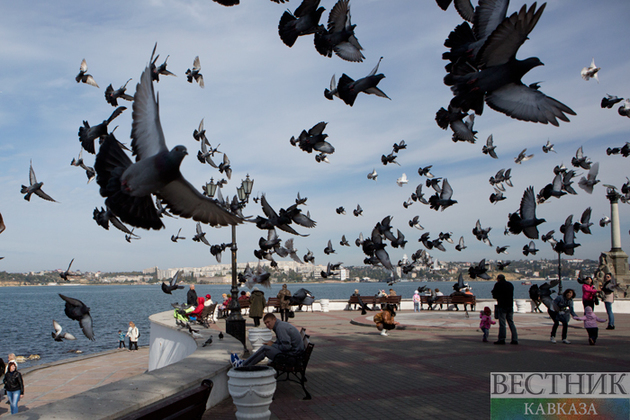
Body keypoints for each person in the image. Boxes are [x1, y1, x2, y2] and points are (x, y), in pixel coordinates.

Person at [231, 313, 304, 367]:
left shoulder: (280, 328)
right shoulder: (280, 325)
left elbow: (286, 347)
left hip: (292, 357)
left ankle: (242, 365)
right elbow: (284, 344)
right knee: (266, 348)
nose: (267, 325)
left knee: (265, 349)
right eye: (265, 323)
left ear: (274, 319)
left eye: (268, 322)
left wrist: (272, 345)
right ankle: (245, 362)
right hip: (295, 354)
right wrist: (273, 344)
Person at [491, 274, 518, 345]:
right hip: (510, 305)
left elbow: (495, 295)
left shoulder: (498, 285)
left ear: (498, 279)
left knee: (502, 323)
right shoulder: (510, 285)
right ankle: (515, 339)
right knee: (511, 322)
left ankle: (502, 339)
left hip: (502, 305)